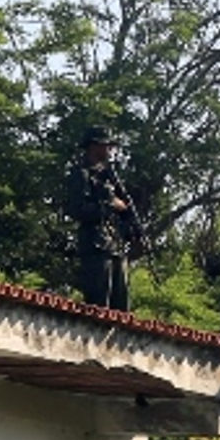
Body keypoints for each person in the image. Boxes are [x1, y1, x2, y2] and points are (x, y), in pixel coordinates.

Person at [63, 130, 147, 311]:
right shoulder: (80, 174)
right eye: (106, 145)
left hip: (116, 245)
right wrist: (109, 205)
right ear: (93, 146)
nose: (110, 150)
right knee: (98, 306)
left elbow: (125, 210)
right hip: (95, 245)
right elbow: (76, 210)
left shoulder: (110, 176)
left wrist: (135, 234)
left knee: (121, 307)